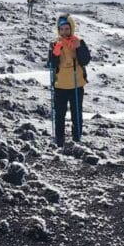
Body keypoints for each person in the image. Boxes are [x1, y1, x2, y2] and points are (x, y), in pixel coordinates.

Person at [46, 13, 91, 147]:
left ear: (71, 28)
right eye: (62, 29)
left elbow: (85, 60)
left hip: (77, 84)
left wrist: (79, 48)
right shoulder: (54, 44)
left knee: (76, 115)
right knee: (59, 115)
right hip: (60, 85)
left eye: (67, 28)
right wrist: (55, 53)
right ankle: (60, 142)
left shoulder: (79, 42)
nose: (64, 32)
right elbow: (51, 65)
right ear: (58, 30)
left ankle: (76, 141)